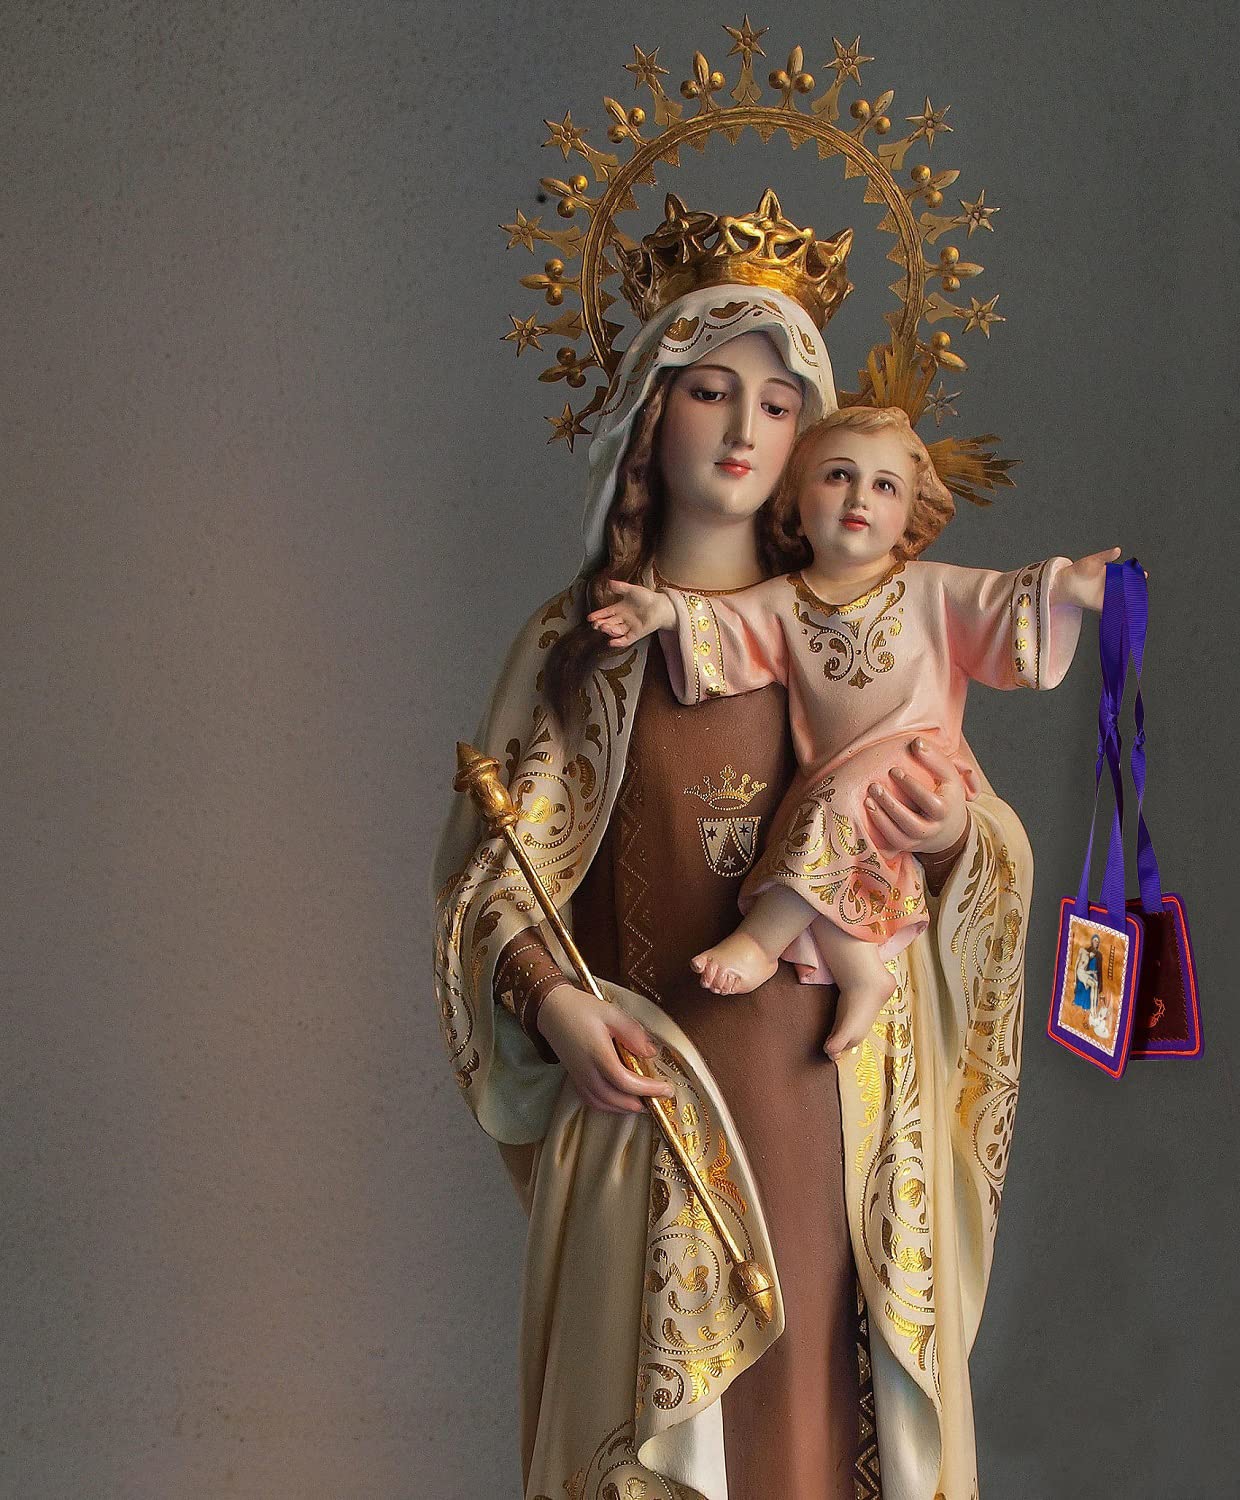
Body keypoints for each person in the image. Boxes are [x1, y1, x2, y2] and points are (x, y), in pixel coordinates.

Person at [434, 205, 1082, 1500]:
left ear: (812, 439)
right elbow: (496, 883)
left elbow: (970, 850)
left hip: (835, 1106)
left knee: (816, 1431)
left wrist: (953, 836)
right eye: (709, 392)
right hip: (655, 1111)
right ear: (648, 410)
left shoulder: (854, 627)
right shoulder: (581, 646)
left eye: (779, 406)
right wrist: (559, 1007)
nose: (742, 431)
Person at [586, 404, 1119, 1060]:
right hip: (836, 780)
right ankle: (861, 970)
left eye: (885, 485)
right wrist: (664, 611)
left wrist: (1067, 587)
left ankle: (760, 940)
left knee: (832, 807)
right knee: (822, 823)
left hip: (918, 763)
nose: (859, 497)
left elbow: (1004, 602)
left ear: (910, 513)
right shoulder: (786, 600)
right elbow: (726, 624)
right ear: (795, 499)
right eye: (838, 475)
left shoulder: (930, 590)